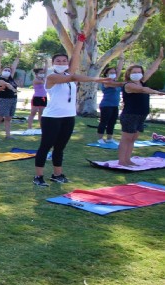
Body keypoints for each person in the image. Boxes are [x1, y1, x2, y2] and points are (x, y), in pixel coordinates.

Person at [33, 33, 111, 186]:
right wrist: (97, 79)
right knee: (45, 146)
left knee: (60, 147)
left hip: (68, 116)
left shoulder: (69, 72)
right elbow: (74, 78)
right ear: (53, 63)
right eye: (58, 61)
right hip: (52, 118)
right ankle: (38, 177)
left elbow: (74, 60)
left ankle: (57, 174)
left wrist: (79, 43)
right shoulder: (51, 77)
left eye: (63, 61)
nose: (61, 62)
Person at [117, 47, 165, 166]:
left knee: (133, 138)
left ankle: (128, 159)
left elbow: (151, 70)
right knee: (126, 138)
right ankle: (122, 160)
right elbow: (143, 90)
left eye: (139, 72)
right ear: (129, 74)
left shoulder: (142, 81)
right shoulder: (129, 85)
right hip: (130, 115)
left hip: (141, 115)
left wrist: (160, 58)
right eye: (134, 72)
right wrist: (159, 92)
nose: (137, 74)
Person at [96, 56, 125, 144]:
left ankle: (109, 138)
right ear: (106, 74)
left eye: (114, 72)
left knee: (112, 122)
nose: (114, 74)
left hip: (115, 105)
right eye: (111, 72)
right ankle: (100, 138)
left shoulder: (116, 81)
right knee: (104, 122)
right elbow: (117, 85)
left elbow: (119, 70)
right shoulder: (106, 82)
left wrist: (121, 58)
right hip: (106, 105)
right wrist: (126, 83)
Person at [0, 55, 20, 140]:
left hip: (13, 100)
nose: (7, 71)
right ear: (2, 71)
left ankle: (8, 135)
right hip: (2, 100)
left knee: (8, 118)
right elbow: (5, 84)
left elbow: (14, 67)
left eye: (8, 70)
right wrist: (11, 87)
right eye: (5, 70)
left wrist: (17, 58)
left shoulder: (11, 78)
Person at [27, 58, 49, 130]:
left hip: (44, 97)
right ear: (36, 74)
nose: (42, 74)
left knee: (41, 113)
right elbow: (43, 82)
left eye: (42, 73)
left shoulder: (43, 78)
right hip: (37, 97)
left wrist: (46, 63)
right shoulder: (36, 80)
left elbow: (46, 71)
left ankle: (41, 126)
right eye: (40, 73)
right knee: (33, 113)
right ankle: (29, 127)